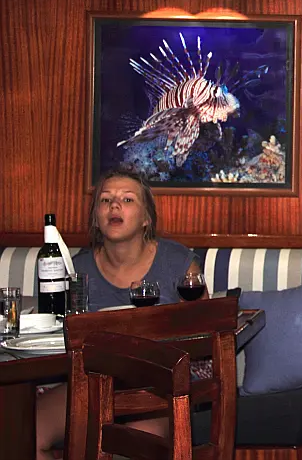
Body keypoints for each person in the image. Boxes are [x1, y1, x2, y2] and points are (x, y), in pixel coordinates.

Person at [35, 168, 205, 460]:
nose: (114, 206)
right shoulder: (76, 271)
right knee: (24, 433)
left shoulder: (177, 262)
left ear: (146, 218)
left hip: (159, 384)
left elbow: (203, 330)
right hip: (90, 384)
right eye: (105, 200)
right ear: (96, 218)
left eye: (127, 200)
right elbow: (60, 333)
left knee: (132, 444)